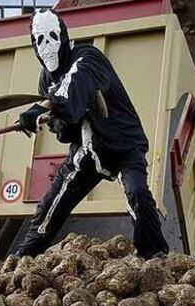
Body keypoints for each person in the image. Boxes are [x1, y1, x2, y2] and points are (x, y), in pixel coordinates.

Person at [17, 8, 169, 259]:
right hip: (88, 151)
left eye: (52, 37)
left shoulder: (88, 58)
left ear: (63, 36)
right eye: (40, 40)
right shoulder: (46, 80)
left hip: (123, 144)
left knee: (138, 194)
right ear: (33, 45)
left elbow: (72, 88)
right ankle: (24, 258)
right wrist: (50, 118)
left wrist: (41, 108)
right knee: (52, 205)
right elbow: (65, 130)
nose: (47, 46)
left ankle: (153, 256)